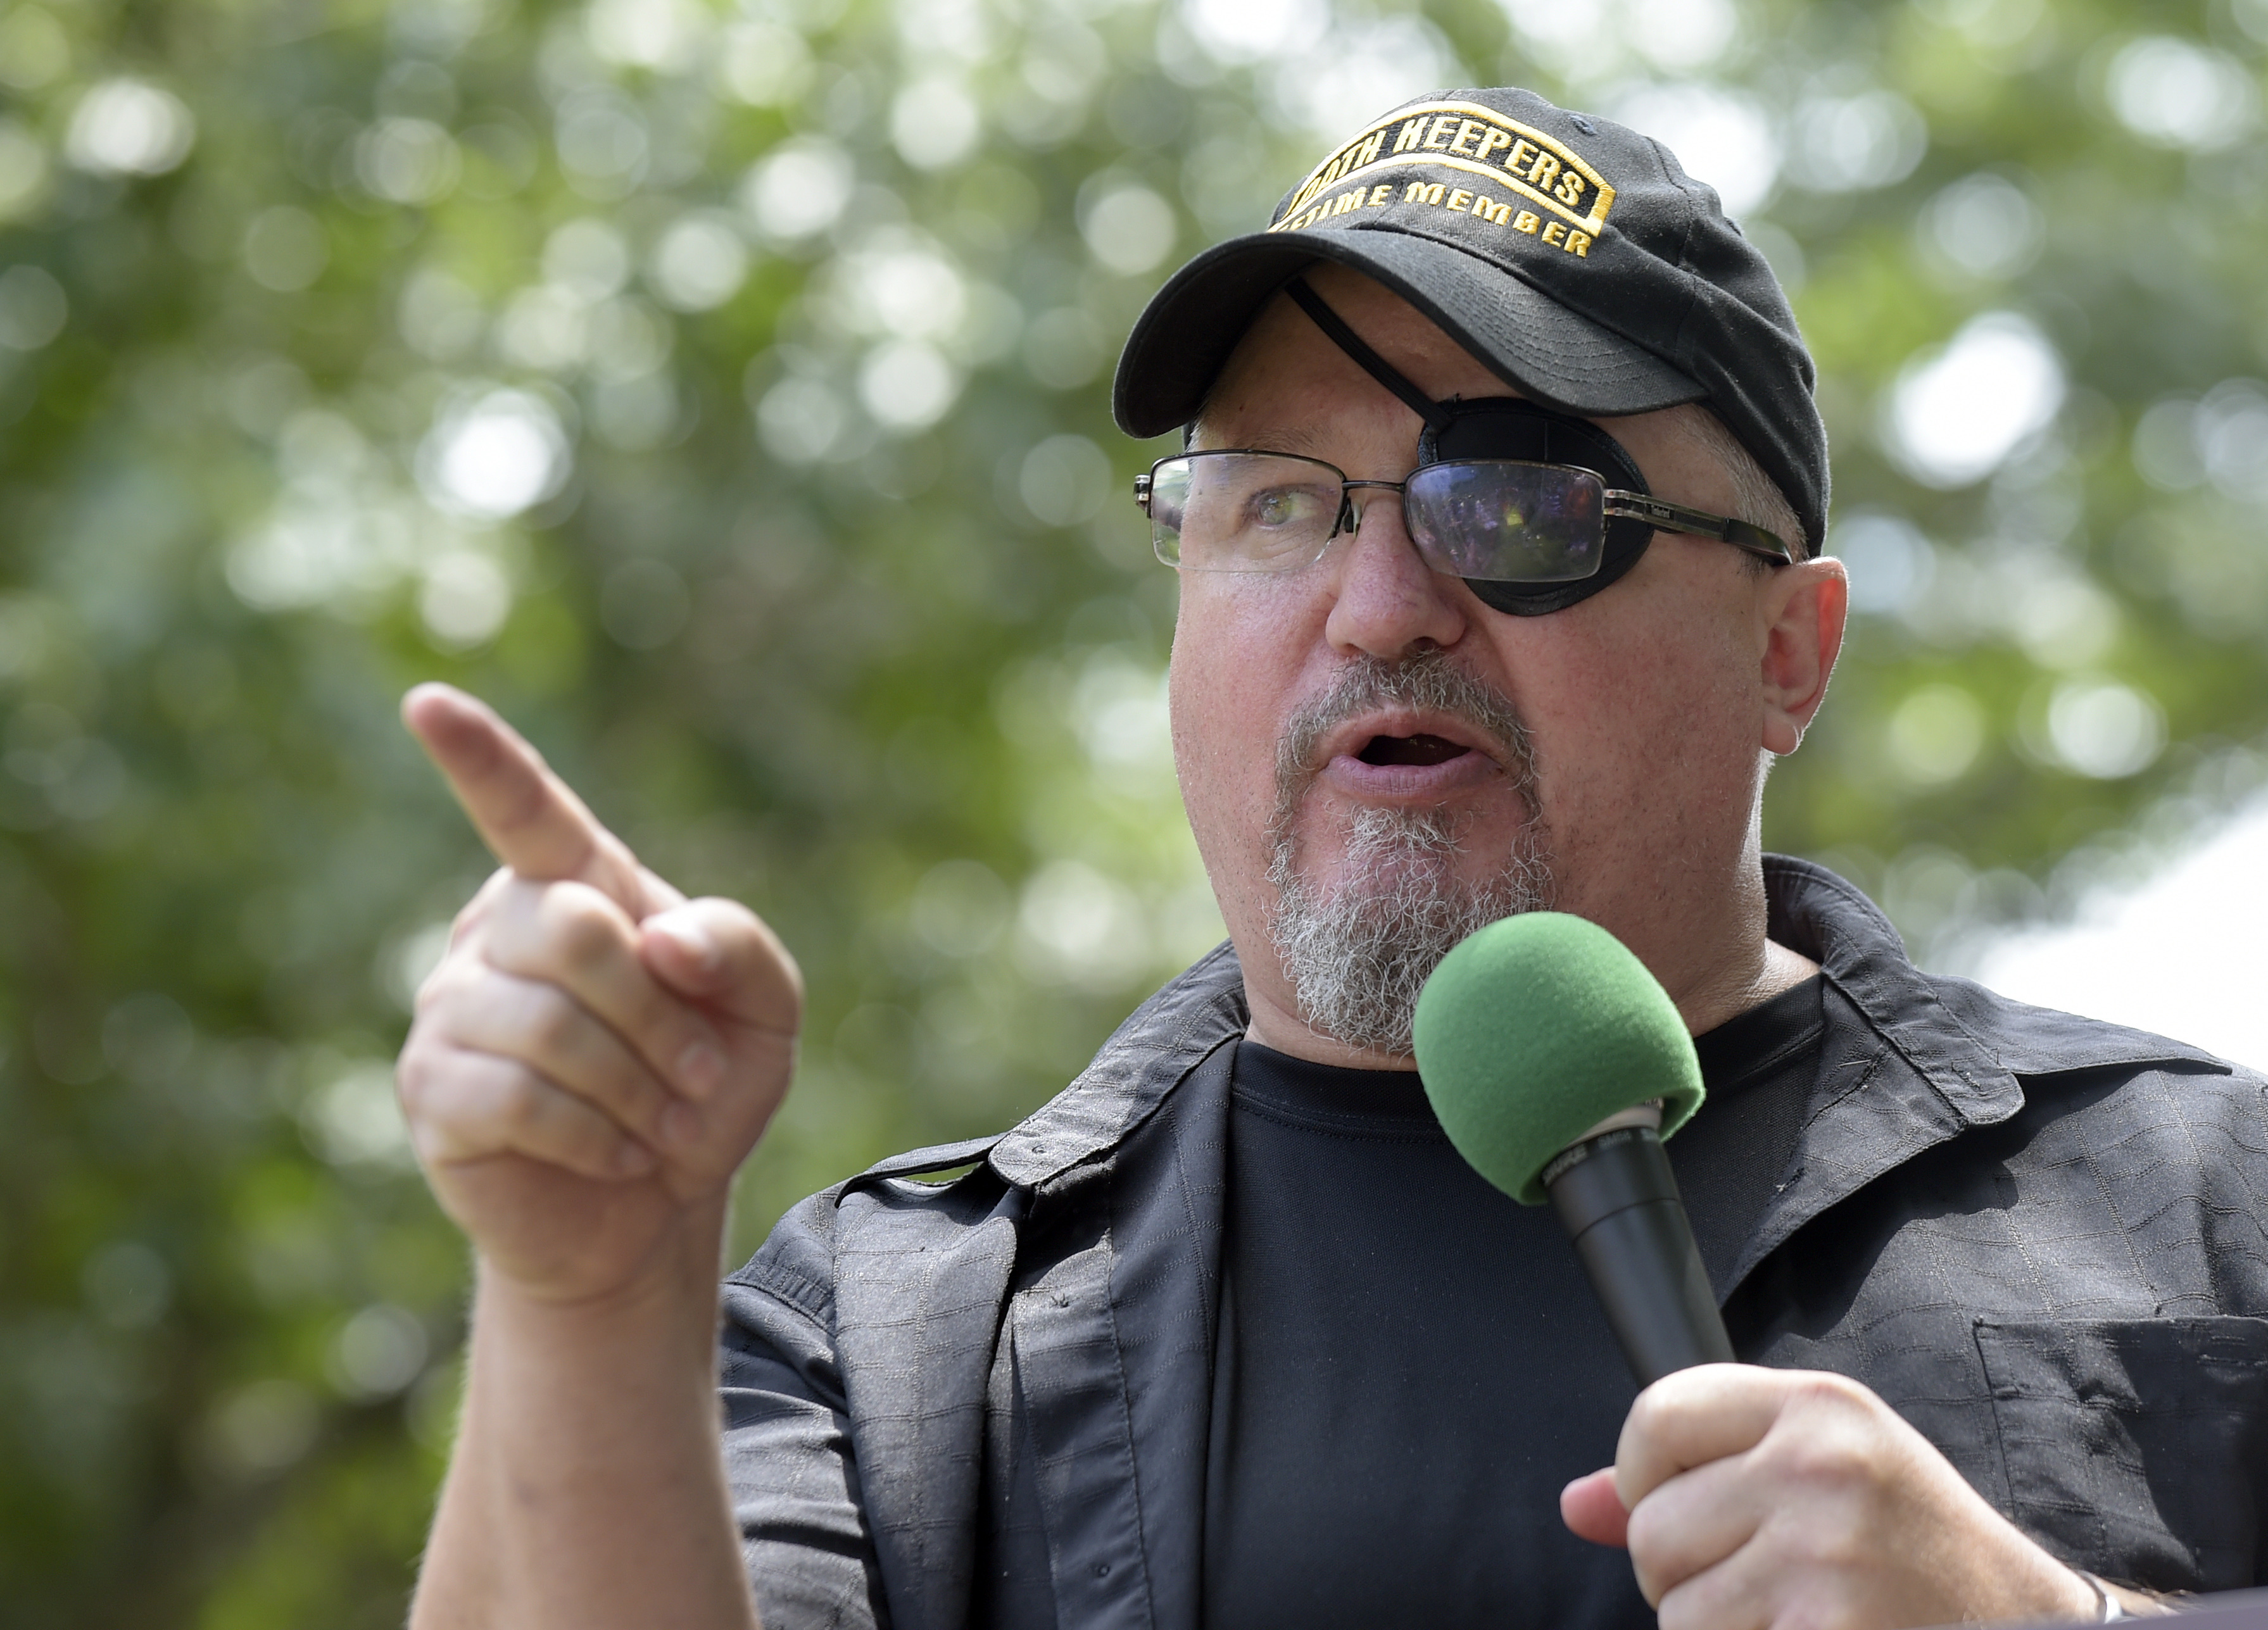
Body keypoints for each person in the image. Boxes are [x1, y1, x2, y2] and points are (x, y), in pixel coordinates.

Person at [394, 87, 2267, 1630]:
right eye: (1281, 503)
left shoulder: (2206, 1200)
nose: (1384, 603)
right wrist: (589, 1297)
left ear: (1790, 652)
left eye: (1517, 501)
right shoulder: (899, 1340)